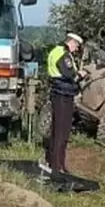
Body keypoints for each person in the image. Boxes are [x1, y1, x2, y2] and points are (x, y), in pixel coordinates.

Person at [39, 32, 85, 175]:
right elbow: (69, 74)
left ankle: (54, 161)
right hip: (63, 94)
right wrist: (81, 75)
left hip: (59, 92)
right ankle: (57, 165)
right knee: (62, 131)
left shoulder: (56, 51)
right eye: (76, 45)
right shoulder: (63, 54)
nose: (77, 49)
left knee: (57, 129)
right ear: (71, 42)